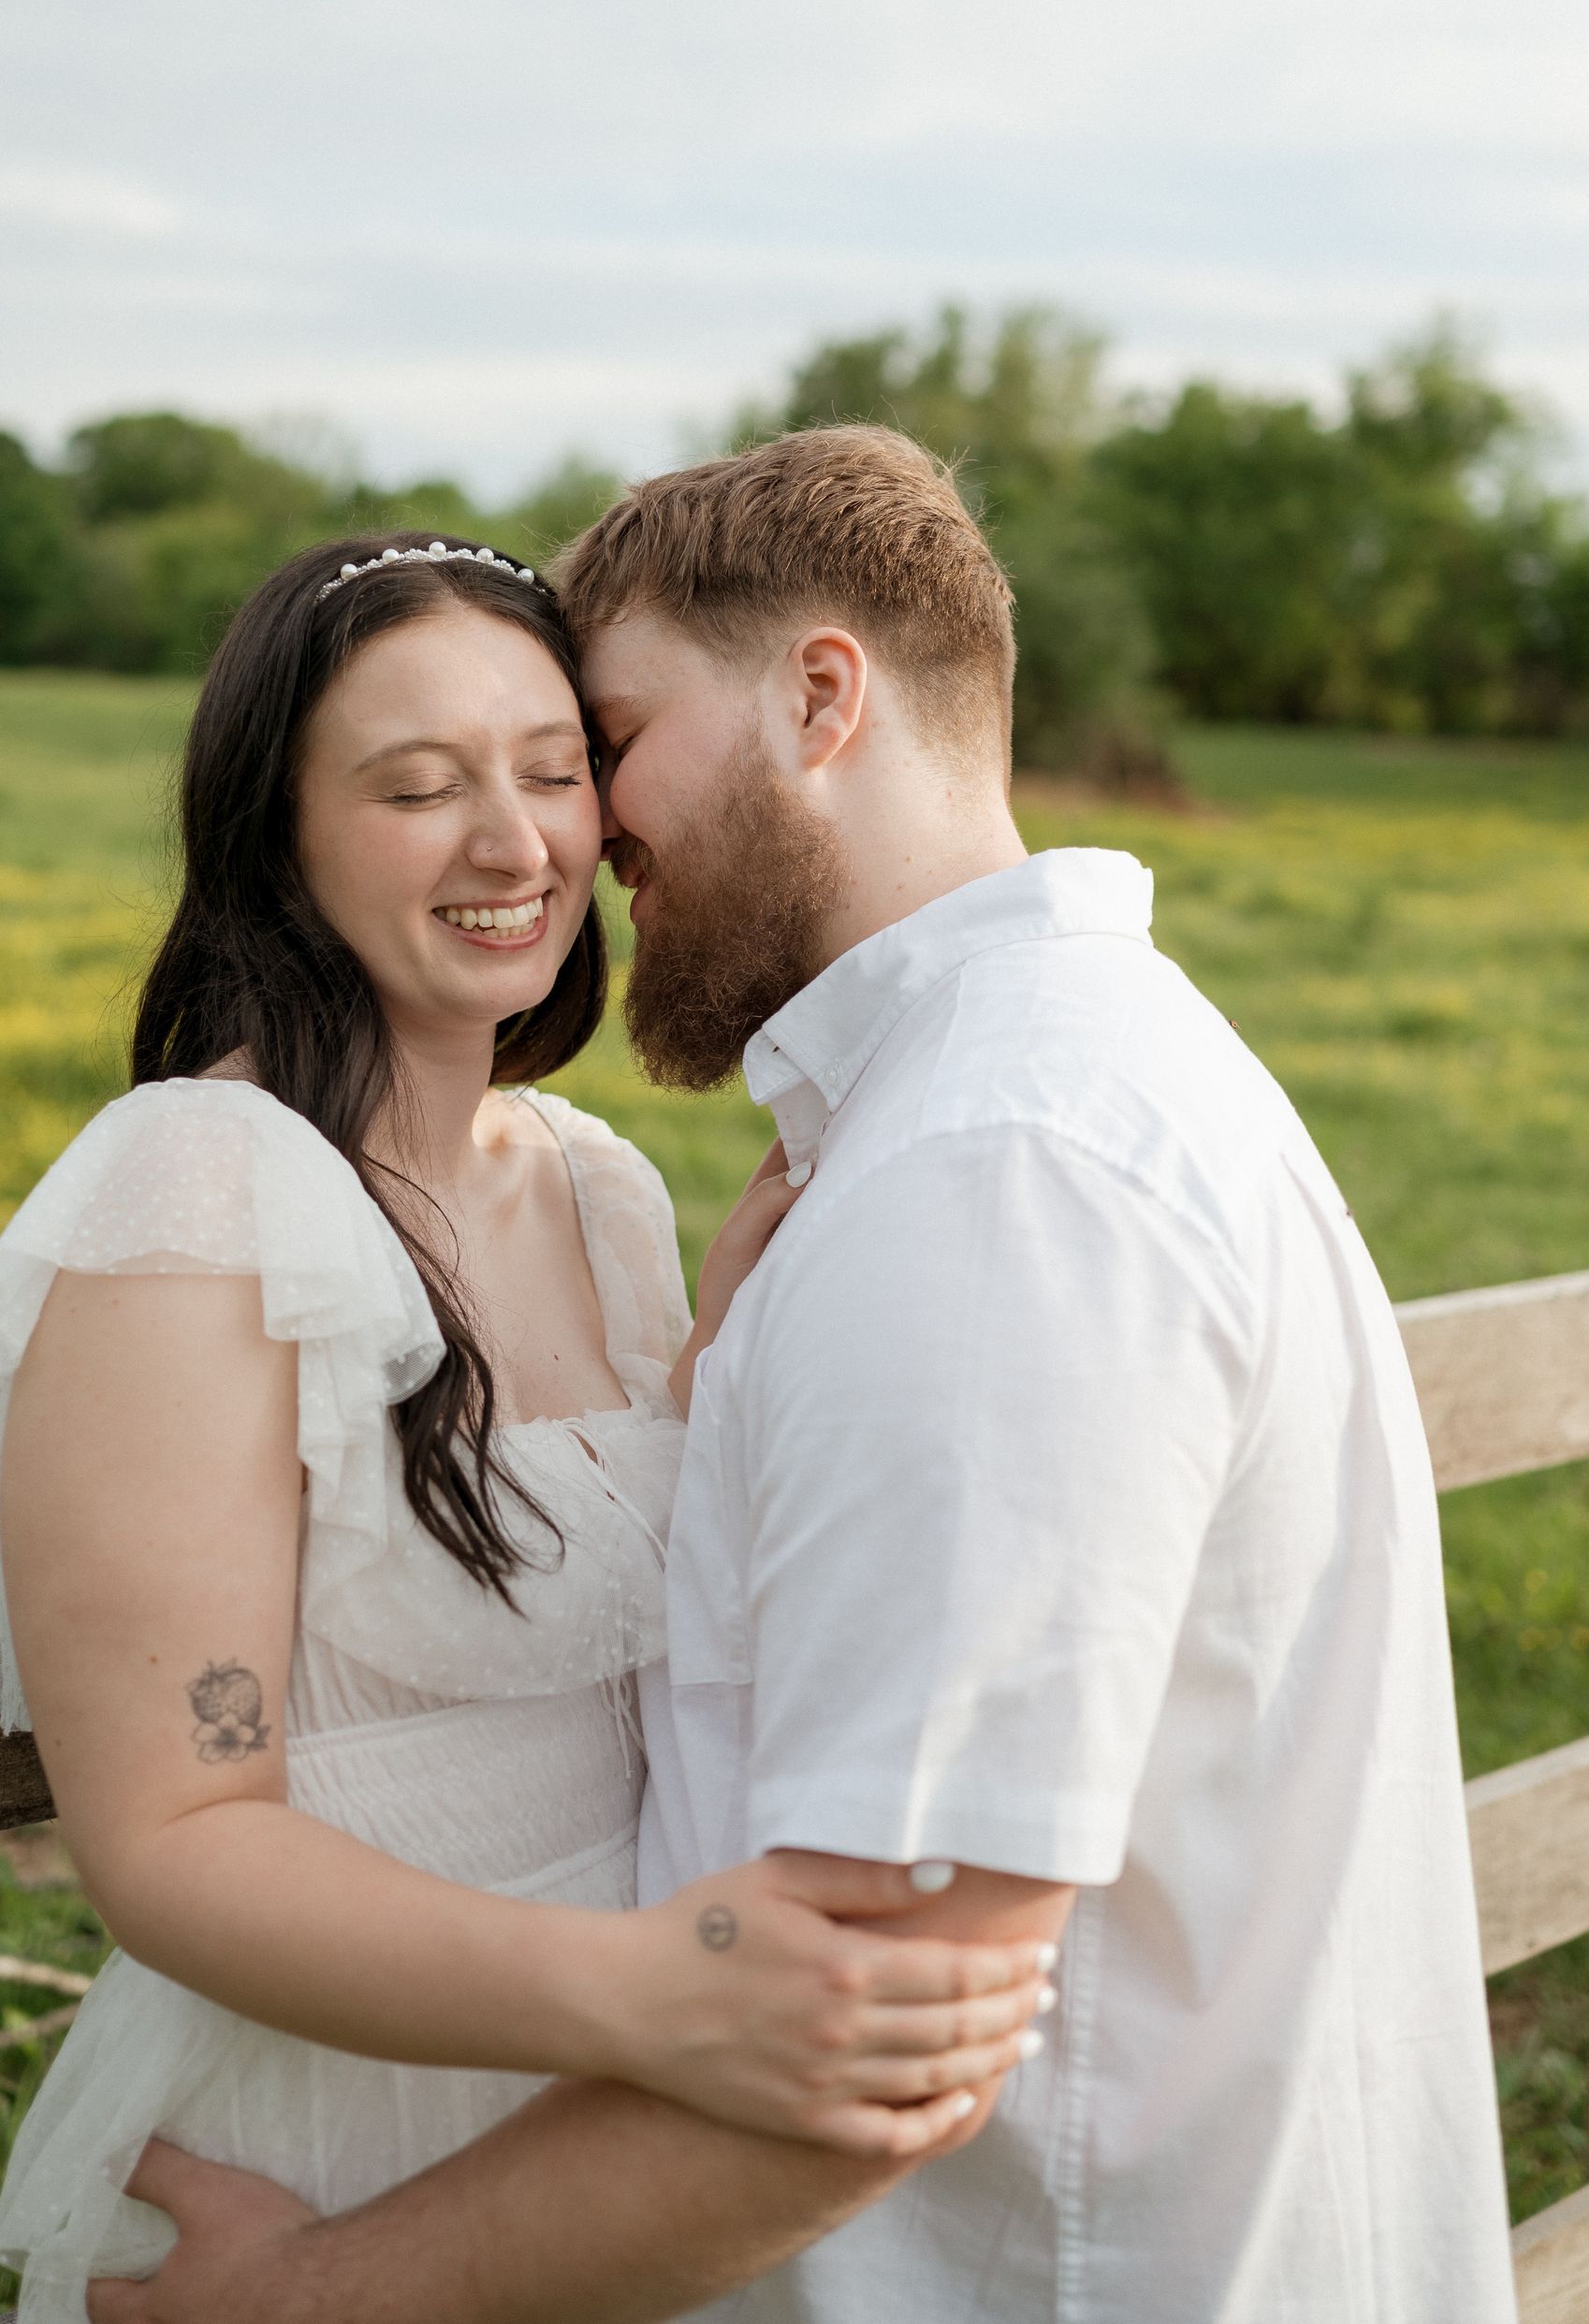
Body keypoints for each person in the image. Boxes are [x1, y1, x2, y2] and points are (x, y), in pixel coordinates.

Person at [105, 424, 1518, 2324]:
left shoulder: (995, 1175)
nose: (584, 832)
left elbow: (872, 2027)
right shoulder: (1021, 1104)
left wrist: (300, 2298)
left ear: (822, 696)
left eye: (599, 744)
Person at [0, 529, 1055, 2324]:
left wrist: (715, 1398)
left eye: (552, 768)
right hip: (340, 2123)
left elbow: (575, 1597)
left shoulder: (595, 1190)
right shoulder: (202, 1199)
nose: (514, 845)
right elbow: (177, 1839)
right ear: (278, 833)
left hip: (610, 2138)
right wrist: (655, 1991)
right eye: (417, 787)